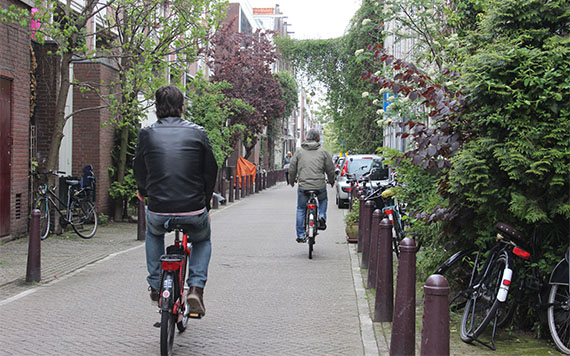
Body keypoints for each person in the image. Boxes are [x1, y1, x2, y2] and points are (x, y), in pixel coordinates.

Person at [134, 85, 218, 316]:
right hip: (193, 209)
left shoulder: (147, 133)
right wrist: (206, 202)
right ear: (182, 108)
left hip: (159, 209)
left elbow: (139, 168)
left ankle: (155, 284)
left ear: (156, 108)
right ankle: (196, 289)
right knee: (202, 239)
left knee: (154, 232)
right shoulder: (198, 133)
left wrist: (143, 190)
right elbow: (210, 170)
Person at [288, 129, 336, 243]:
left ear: (306, 138)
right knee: (323, 200)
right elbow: (330, 169)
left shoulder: (299, 152)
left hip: (304, 186)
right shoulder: (323, 152)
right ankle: (322, 216)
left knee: (301, 208)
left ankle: (300, 235)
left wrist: (291, 181)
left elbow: (292, 168)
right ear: (318, 139)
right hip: (319, 185)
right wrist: (331, 180)